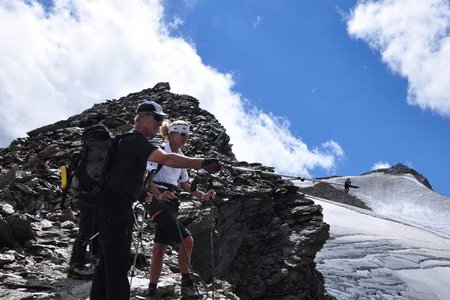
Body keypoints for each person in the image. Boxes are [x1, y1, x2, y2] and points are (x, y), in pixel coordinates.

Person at [89, 101, 221, 300]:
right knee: (118, 263)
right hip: (120, 208)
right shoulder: (138, 142)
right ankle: (186, 282)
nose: (159, 124)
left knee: (109, 261)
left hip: (113, 206)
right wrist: (202, 163)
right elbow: (166, 161)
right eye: (157, 118)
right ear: (142, 117)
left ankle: (150, 288)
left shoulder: (128, 142)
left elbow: (140, 176)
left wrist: (202, 195)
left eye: (161, 120)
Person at [145, 120, 216, 299]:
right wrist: (158, 195)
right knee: (187, 240)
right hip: (157, 199)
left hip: (169, 200)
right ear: (171, 134)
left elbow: (185, 185)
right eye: (182, 134)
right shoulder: (159, 150)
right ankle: (187, 285)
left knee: (159, 247)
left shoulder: (182, 158)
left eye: (187, 134)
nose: (186, 137)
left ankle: (151, 292)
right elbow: (146, 177)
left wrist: (203, 196)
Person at [66, 196, 99, 279]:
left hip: (84, 197)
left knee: (84, 230)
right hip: (91, 199)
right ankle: (79, 267)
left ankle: (73, 265)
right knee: (86, 232)